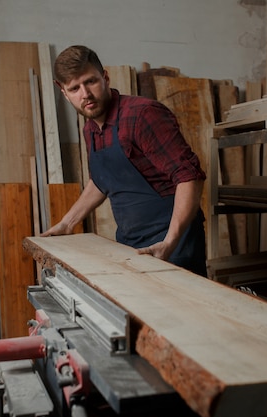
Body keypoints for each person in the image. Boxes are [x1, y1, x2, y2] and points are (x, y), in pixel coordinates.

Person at [41, 45, 207, 277]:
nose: (85, 94)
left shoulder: (142, 115)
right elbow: (102, 181)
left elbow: (189, 175)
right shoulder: (91, 128)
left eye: (90, 82)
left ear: (105, 77)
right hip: (129, 244)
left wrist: (169, 243)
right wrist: (67, 223)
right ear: (64, 93)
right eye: (75, 88)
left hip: (172, 244)